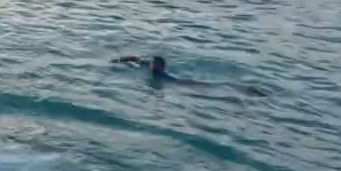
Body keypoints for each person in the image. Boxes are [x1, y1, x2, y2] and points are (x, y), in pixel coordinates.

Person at [112, 55, 267, 96]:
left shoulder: (161, 74)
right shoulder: (149, 66)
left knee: (213, 87)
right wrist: (119, 60)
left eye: (155, 64)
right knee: (213, 87)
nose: (152, 65)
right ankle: (247, 89)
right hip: (180, 81)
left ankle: (248, 89)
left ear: (160, 67)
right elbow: (134, 58)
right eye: (152, 63)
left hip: (181, 82)